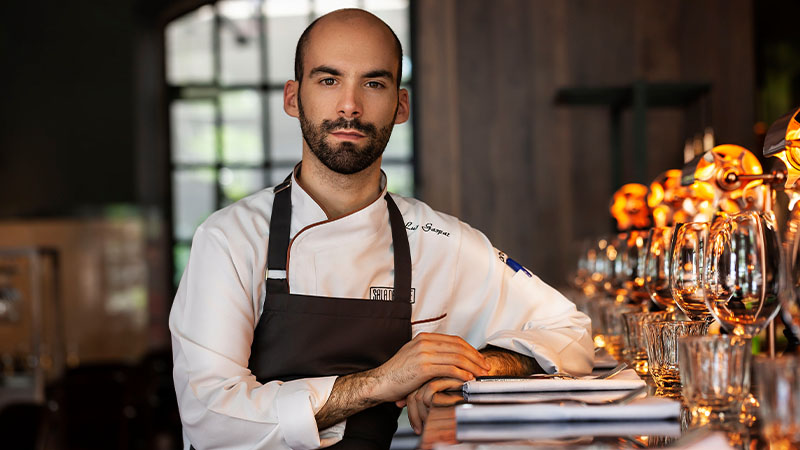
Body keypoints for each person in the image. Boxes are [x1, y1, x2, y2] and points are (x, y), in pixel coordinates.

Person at [169, 8, 593, 450]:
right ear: (293, 98)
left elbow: (571, 333)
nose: (350, 105)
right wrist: (381, 382)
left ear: (400, 105)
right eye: (328, 80)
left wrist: (470, 368)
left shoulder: (440, 242)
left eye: (373, 83)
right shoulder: (229, 239)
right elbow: (212, 418)